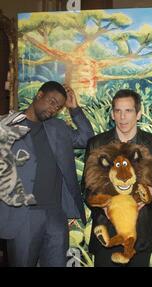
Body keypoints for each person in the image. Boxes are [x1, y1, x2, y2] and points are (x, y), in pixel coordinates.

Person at [0, 81, 94, 267]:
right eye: (51, 101)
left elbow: (87, 138)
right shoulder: (6, 125)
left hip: (55, 215)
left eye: (58, 106)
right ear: (39, 94)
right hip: (22, 215)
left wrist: (74, 109)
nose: (53, 109)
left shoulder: (57, 128)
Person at [82, 89, 152, 267]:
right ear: (112, 114)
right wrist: (104, 205)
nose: (123, 117)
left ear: (138, 114)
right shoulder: (97, 143)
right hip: (107, 230)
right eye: (118, 111)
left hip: (141, 231)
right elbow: (86, 187)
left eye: (128, 111)